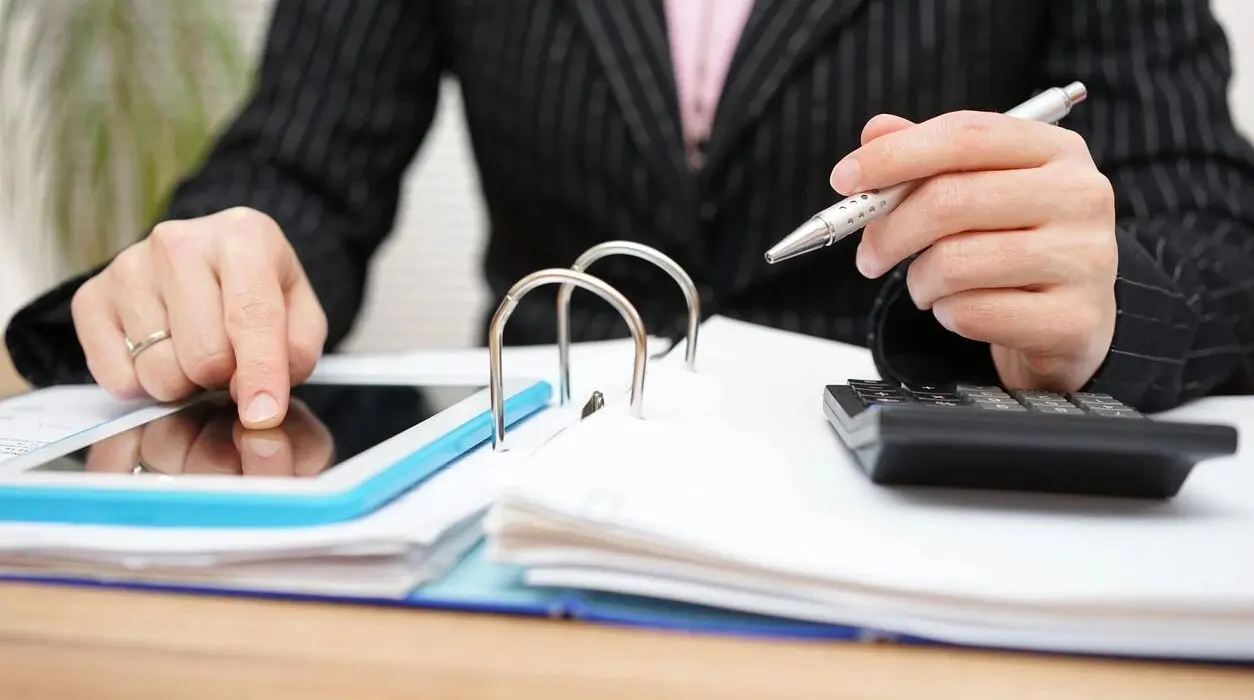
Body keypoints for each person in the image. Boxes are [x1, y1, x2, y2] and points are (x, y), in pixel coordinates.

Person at [5, 0, 1254, 429]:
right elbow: (293, 169)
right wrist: (211, 271)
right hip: (539, 554)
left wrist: (1109, 305)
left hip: (927, 567)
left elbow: (1216, 232)